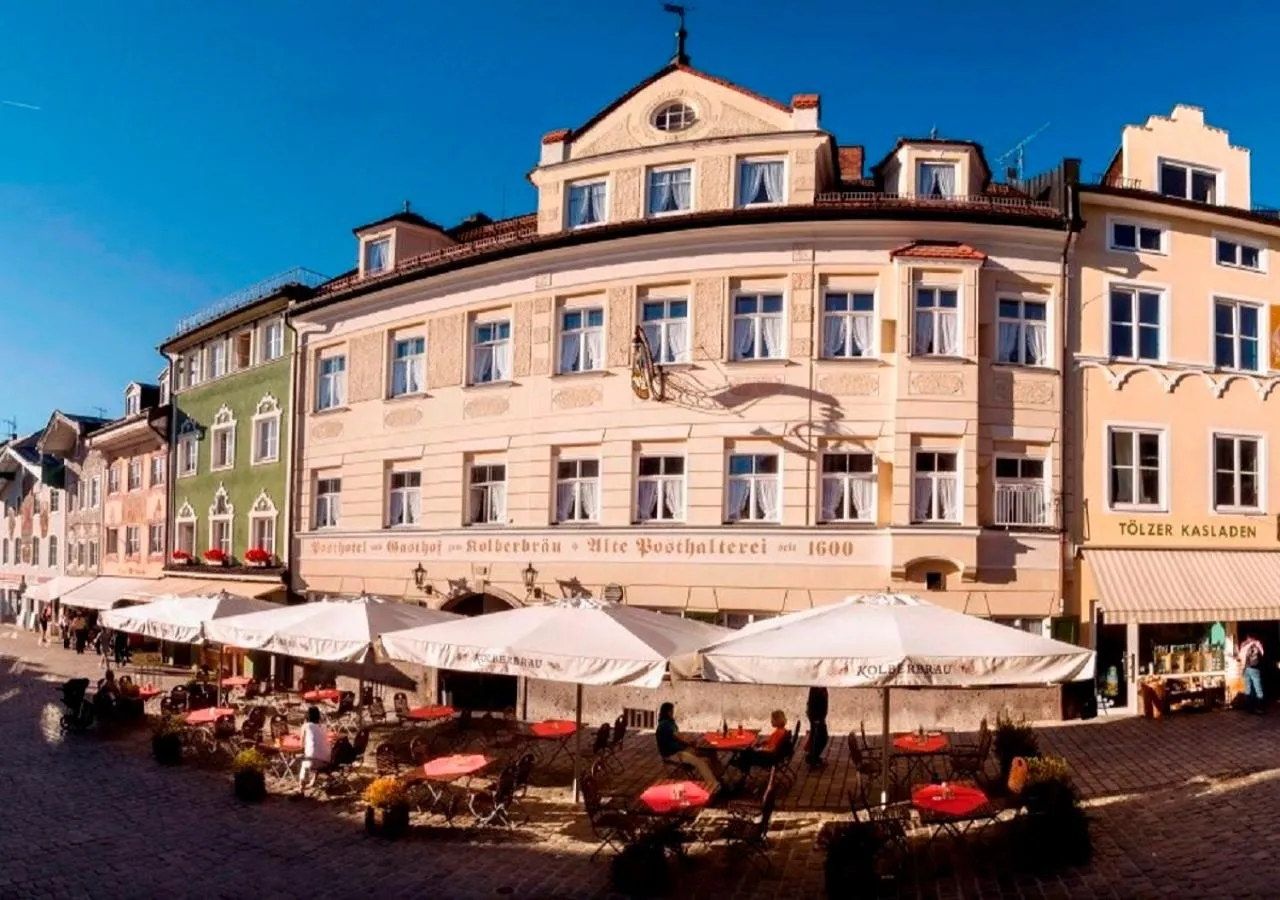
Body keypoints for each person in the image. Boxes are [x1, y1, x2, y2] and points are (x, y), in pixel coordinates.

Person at [654, 701, 724, 794]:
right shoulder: (665, 724)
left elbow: (678, 737)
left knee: (710, 752)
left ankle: (719, 776)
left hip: (681, 750)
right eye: (672, 711)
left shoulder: (669, 722)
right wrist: (690, 743)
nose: (673, 713)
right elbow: (678, 737)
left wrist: (689, 743)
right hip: (674, 754)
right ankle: (715, 786)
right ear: (669, 712)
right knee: (701, 762)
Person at [729, 710, 789, 777]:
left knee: (746, 751)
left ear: (777, 721)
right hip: (772, 755)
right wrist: (762, 744)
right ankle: (742, 767)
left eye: (772, 720)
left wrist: (759, 749)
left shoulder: (778, 733)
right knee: (748, 750)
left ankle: (742, 767)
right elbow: (772, 744)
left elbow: (771, 749)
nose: (771, 721)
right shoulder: (783, 731)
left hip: (768, 757)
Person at [299, 706, 332, 796]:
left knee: (304, 764)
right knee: (316, 753)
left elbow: (301, 744)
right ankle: (313, 781)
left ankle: (301, 789)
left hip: (312, 762)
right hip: (327, 761)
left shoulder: (306, 726)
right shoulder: (323, 727)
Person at [1239, 634, 1265, 713]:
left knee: (1247, 688)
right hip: (1254, 668)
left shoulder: (1243, 644)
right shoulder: (1256, 644)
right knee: (1258, 689)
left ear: (1247, 637)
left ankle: (1248, 708)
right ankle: (1259, 708)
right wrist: (1258, 644)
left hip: (1246, 668)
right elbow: (1262, 653)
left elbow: (1240, 655)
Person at [805, 686, 829, 768]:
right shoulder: (817, 690)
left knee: (819, 738)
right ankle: (813, 759)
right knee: (820, 738)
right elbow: (814, 702)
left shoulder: (819, 688)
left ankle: (814, 757)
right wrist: (816, 718)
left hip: (819, 717)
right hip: (817, 717)